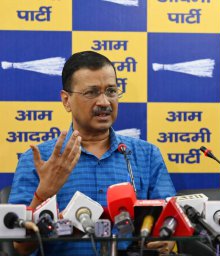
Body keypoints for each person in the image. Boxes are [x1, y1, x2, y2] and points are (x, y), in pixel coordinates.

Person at [8, 51, 176, 255]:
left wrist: (167, 239)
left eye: (111, 91)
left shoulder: (146, 155)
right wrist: (43, 193)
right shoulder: (39, 159)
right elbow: (20, 246)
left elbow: (171, 222)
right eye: (91, 92)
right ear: (66, 100)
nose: (104, 102)